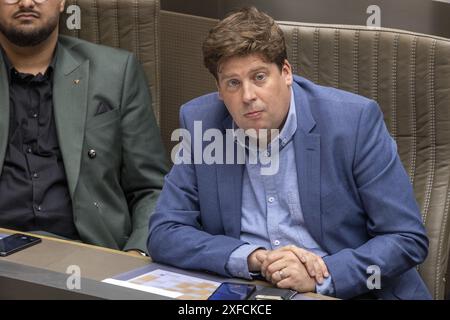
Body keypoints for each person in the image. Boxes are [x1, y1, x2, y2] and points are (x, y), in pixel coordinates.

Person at [148, 7, 431, 299]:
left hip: (348, 291)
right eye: (233, 83)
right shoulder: (201, 124)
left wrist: (321, 274)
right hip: (256, 292)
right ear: (219, 89)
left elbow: (406, 238)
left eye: (259, 77)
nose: (247, 96)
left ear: (286, 73)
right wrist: (253, 258)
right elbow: (165, 233)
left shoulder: (354, 122)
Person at [0, 0, 168, 255]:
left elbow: (152, 188)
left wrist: (136, 254)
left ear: (62, 2)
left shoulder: (115, 73)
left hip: (91, 256)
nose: (26, 2)